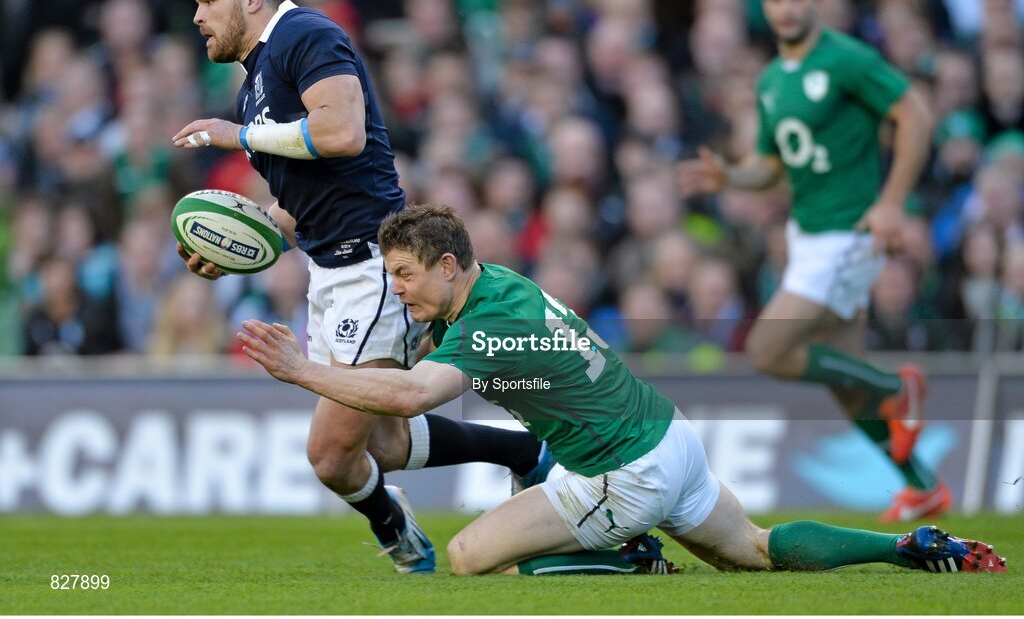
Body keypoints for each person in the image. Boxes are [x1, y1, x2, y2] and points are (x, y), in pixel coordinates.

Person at [237, 203, 1007, 576]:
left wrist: (300, 368)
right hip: (672, 438)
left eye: (403, 275)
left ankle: (636, 559)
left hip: (624, 473)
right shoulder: (498, 283)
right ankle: (903, 547)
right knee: (758, 554)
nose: (396, 290)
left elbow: (407, 399)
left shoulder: (484, 326)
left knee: (473, 557)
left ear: (444, 267)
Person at [171, 0, 551, 574]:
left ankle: (396, 529)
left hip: (372, 263)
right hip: (329, 270)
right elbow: (303, 200)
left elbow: (341, 133)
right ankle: (522, 453)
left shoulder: (306, 35)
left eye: (208, 1)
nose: (197, 16)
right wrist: (245, 239)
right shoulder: (254, 86)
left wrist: (234, 137)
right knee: (378, 443)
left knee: (328, 454)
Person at [678, 0, 945, 522]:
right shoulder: (773, 80)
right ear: (765, 7)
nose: (787, 8)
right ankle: (920, 484)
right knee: (842, 376)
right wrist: (730, 175)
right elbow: (770, 167)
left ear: (817, 0)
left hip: (848, 232)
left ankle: (895, 386)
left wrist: (892, 201)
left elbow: (915, 115)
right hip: (809, 233)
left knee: (768, 348)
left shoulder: (847, 59)